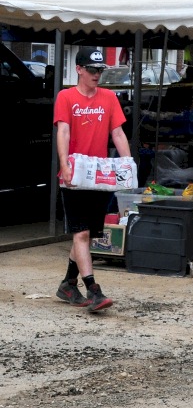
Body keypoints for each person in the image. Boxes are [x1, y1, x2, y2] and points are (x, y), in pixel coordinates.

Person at [54, 47, 132, 312]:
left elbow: (118, 133)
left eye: (100, 70)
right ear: (79, 69)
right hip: (74, 174)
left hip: (99, 175)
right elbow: (63, 132)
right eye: (92, 70)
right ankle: (94, 290)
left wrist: (127, 165)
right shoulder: (66, 97)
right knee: (83, 232)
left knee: (88, 233)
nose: (97, 75)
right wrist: (64, 165)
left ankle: (67, 283)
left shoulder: (109, 98)